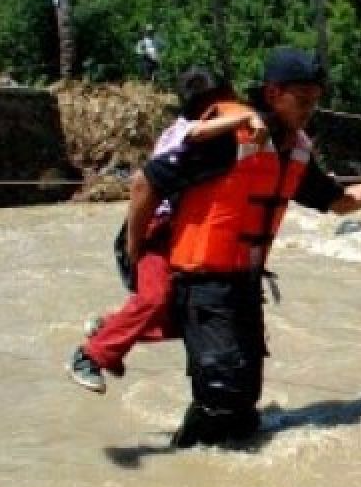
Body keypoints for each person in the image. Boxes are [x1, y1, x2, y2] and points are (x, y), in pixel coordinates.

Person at [131, 47, 361, 448]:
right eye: (303, 99)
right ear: (274, 94)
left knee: (244, 407)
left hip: (244, 283)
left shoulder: (294, 151)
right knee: (220, 391)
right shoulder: (227, 139)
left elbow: (342, 201)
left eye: (316, 100)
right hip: (200, 282)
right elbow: (145, 183)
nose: (311, 109)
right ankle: (180, 467)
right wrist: (137, 249)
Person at [68, 68, 264, 394]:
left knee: (189, 318)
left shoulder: (205, 131)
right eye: (225, 103)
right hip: (152, 231)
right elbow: (196, 134)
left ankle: (106, 328)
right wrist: (247, 118)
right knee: (154, 298)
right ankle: (89, 357)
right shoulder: (188, 129)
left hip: (175, 233)